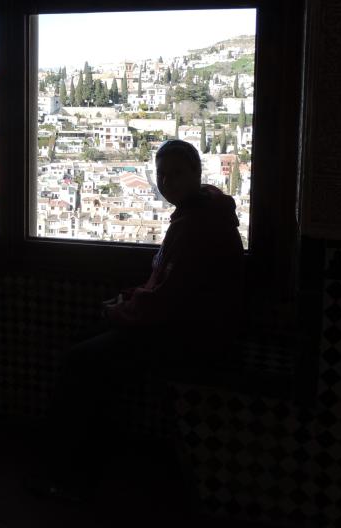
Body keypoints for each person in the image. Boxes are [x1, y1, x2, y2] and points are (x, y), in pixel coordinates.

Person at [27, 139, 245, 503]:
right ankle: (82, 460)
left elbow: (167, 301)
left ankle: (68, 472)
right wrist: (128, 301)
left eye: (176, 173)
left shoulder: (197, 226)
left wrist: (119, 310)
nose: (167, 181)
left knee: (80, 360)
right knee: (87, 349)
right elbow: (165, 287)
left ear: (196, 173)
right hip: (187, 329)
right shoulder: (201, 214)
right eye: (162, 173)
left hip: (186, 339)